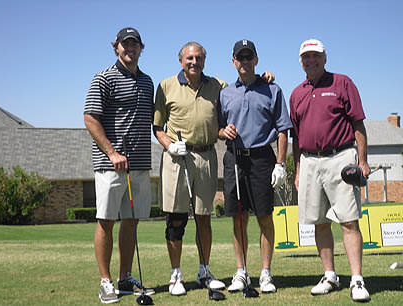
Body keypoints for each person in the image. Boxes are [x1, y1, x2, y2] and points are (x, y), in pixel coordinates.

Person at [153, 41, 275, 296]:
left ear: (204, 61)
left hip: (207, 156)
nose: (194, 62)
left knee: (203, 218)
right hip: (178, 158)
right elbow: (157, 127)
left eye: (199, 58)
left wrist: (263, 78)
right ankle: (176, 274)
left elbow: (244, 88)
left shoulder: (217, 86)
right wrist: (169, 145)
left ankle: (204, 270)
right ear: (181, 61)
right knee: (175, 220)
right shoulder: (165, 86)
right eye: (189, 58)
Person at [290, 39, 371, 302]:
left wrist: (363, 161)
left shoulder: (342, 83)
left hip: (341, 158)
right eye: (306, 57)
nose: (310, 60)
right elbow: (296, 137)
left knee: (348, 221)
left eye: (315, 56)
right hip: (310, 162)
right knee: (320, 223)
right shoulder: (296, 93)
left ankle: (357, 279)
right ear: (300, 61)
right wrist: (298, 169)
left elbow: (358, 124)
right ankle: (330, 276)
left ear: (325, 58)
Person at [84, 27, 154, 304]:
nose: (130, 48)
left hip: (139, 165)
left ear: (141, 48)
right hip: (110, 165)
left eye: (134, 44)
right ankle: (106, 282)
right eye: (125, 44)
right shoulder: (104, 78)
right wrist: (112, 152)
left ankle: (125, 277)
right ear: (116, 47)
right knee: (106, 221)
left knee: (131, 221)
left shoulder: (147, 82)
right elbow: (90, 117)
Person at [218, 39, 292, 294]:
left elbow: (283, 130)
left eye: (249, 57)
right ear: (234, 61)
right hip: (234, 158)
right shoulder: (225, 92)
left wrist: (280, 164)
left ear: (256, 60)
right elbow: (218, 127)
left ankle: (265, 273)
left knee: (264, 217)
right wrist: (222, 131)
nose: (245, 61)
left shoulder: (273, 89)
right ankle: (241, 273)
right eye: (241, 57)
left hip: (262, 159)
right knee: (239, 220)